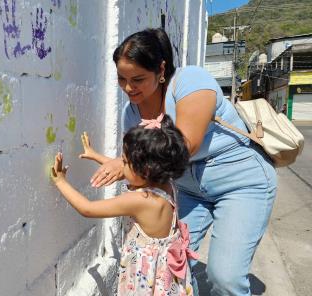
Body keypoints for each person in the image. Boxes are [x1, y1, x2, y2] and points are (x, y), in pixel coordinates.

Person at [89, 28, 277, 296]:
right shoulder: (131, 113)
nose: (129, 87)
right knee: (170, 262)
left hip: (240, 181)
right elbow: (143, 171)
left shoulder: (190, 82)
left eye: (138, 79)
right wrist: (119, 169)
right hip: (187, 190)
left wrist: (124, 164)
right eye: (122, 79)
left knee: (225, 278)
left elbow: (186, 144)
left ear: (161, 69)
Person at [51, 114, 196, 295]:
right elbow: (130, 173)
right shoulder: (167, 184)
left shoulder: (141, 199)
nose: (120, 166)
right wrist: (95, 155)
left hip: (145, 277)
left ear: (146, 169)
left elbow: (87, 208)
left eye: (125, 162)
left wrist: (61, 182)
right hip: (165, 275)